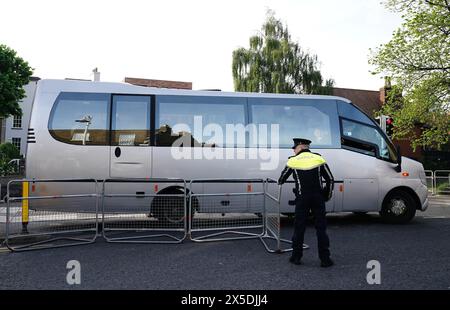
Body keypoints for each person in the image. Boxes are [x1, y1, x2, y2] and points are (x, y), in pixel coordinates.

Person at [278, 138, 335, 267]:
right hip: (318, 198)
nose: (293, 150)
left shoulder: (292, 161)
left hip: (302, 198)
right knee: (321, 228)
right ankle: (325, 259)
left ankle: (296, 257)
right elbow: (330, 180)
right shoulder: (319, 159)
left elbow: (281, 179)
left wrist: (281, 181)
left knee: (299, 227)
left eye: (294, 147)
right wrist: (326, 195)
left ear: (300, 147)